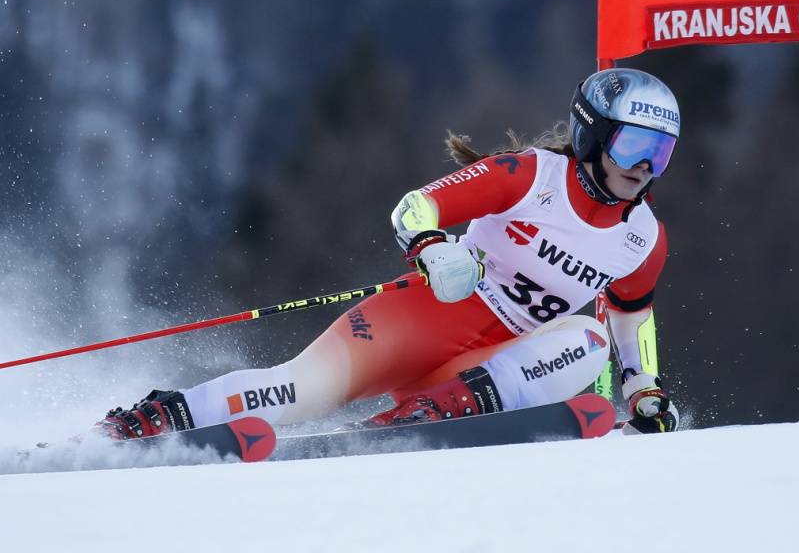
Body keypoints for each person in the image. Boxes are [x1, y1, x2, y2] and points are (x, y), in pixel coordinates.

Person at [99, 68, 681, 440]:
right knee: (297, 392)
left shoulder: (643, 238)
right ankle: (160, 417)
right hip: (424, 319)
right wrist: (430, 247)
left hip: (487, 369)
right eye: (633, 144)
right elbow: (415, 208)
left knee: (588, 341)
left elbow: (631, 319)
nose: (643, 166)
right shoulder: (530, 177)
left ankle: (430, 413)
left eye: (661, 152)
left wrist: (641, 388)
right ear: (593, 136)